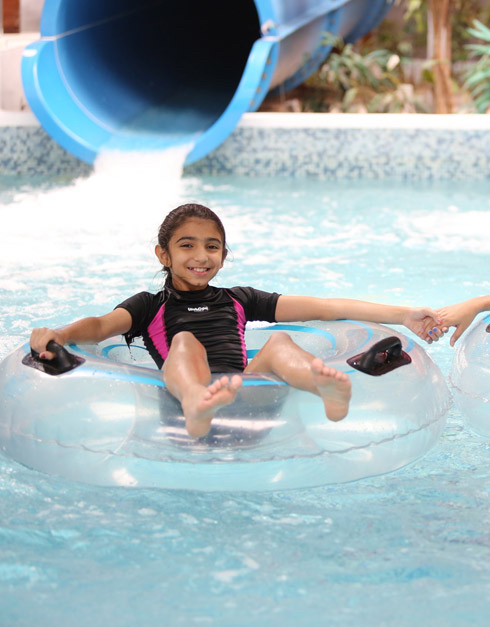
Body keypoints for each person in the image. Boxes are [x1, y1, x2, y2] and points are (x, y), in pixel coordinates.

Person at [30, 203, 446, 439]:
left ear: (224, 256)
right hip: (180, 411)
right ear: (163, 254)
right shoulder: (148, 305)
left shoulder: (239, 300)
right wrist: (61, 334)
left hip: (247, 402)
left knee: (279, 345)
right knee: (185, 344)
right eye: (186, 245)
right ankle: (197, 400)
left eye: (212, 246)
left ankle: (320, 385)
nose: (201, 255)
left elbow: (324, 306)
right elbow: (100, 327)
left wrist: (403, 315)